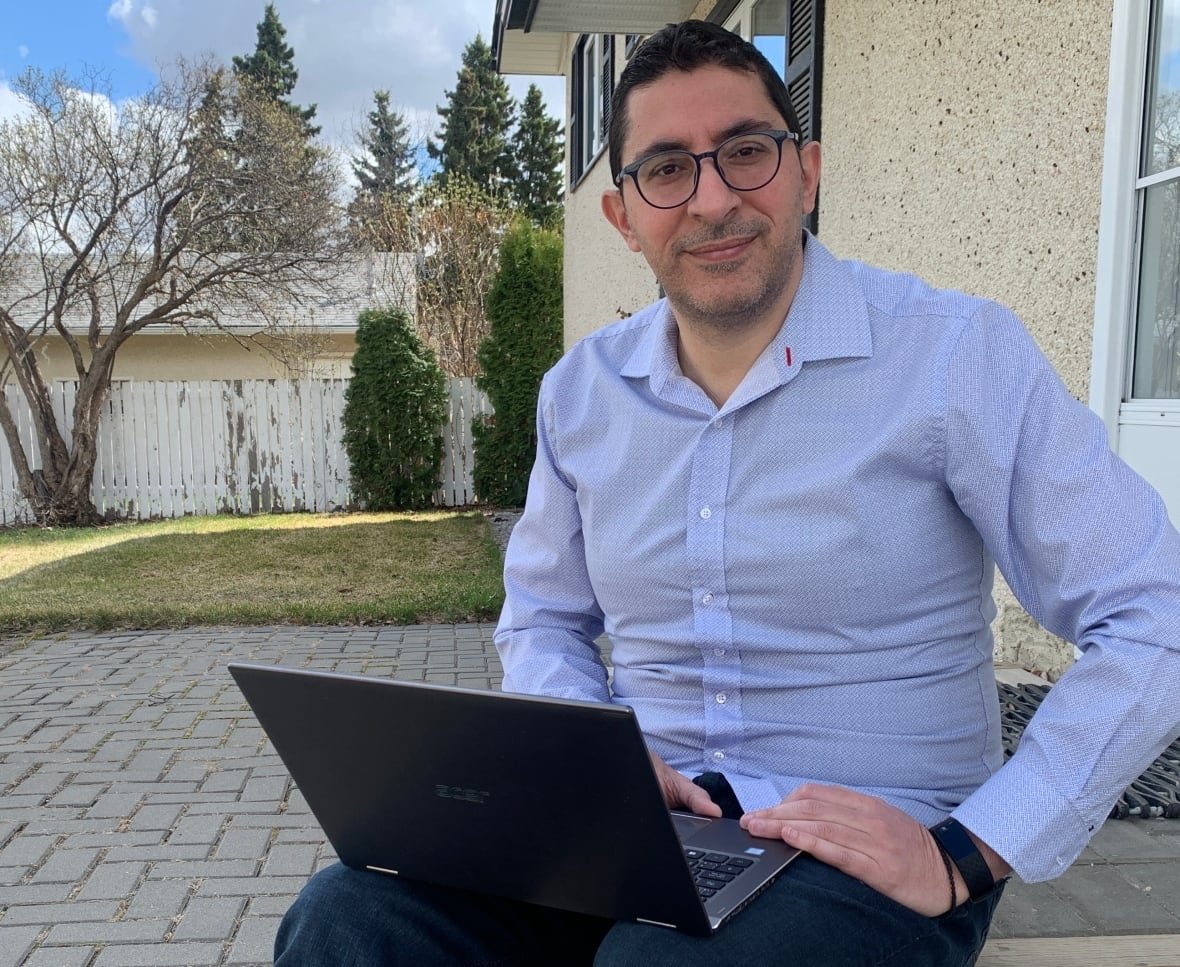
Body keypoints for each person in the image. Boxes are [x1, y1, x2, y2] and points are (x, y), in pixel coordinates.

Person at [275, 19, 1180, 966]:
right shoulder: (582, 394)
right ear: (623, 214)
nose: (712, 199)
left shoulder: (952, 358)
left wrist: (969, 849)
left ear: (807, 172)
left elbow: (1151, 609)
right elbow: (542, 620)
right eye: (667, 169)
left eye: (746, 152)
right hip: (642, 839)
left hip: (875, 857)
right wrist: (602, 769)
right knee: (348, 917)